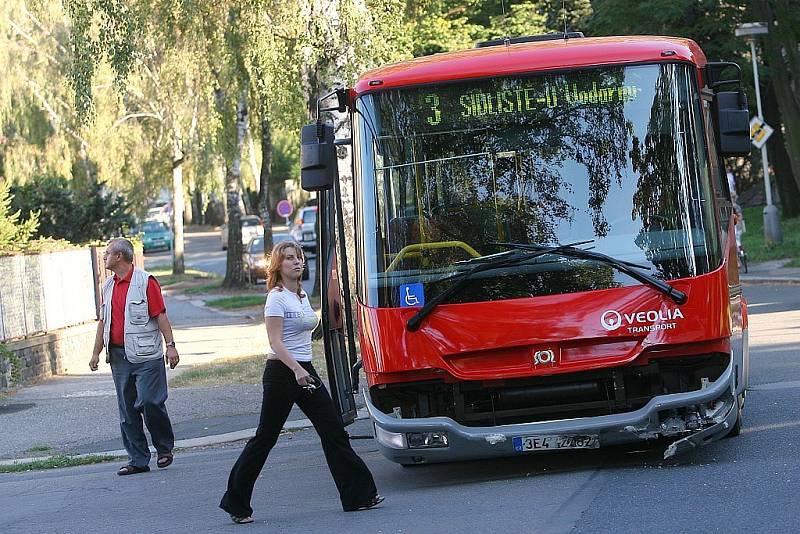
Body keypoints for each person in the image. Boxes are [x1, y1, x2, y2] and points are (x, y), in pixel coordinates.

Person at [219, 241, 383, 525]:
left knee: (333, 431)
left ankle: (359, 495)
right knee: (265, 439)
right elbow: (275, 342)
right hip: (282, 373)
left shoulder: (302, 296)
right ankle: (236, 503)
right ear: (278, 266)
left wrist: (304, 368)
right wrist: (296, 370)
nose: (297, 263)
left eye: (299, 258)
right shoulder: (277, 298)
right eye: (289, 259)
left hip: (304, 370)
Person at [89, 238, 180, 476]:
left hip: (147, 355)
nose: (104, 257)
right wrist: (96, 352)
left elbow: (160, 316)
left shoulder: (146, 282)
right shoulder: (107, 286)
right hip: (119, 357)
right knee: (127, 410)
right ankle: (138, 459)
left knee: (150, 401)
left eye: (107, 253)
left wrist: (170, 346)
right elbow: (103, 322)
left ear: (119, 256)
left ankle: (164, 448)